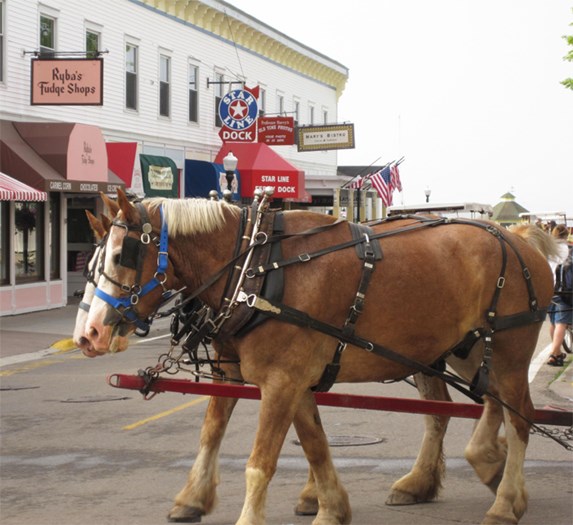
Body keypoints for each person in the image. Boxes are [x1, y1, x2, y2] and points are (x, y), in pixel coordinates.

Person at [547, 224, 572, 366]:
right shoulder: (568, 249)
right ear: (566, 235)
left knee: (553, 322)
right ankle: (553, 355)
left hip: (549, 289)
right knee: (561, 323)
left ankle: (557, 352)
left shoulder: (548, 249)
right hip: (564, 290)